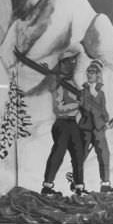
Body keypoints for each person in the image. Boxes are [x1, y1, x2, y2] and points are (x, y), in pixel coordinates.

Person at [41, 54, 86, 196]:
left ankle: (79, 187)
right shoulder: (58, 85)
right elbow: (58, 109)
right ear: (62, 65)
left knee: (78, 155)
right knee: (58, 154)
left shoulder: (71, 83)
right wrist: (77, 104)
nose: (71, 65)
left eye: (73, 62)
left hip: (73, 123)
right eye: (68, 63)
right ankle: (47, 187)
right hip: (62, 123)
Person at [78, 59, 113, 192]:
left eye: (92, 72)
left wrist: (108, 121)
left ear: (98, 74)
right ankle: (78, 184)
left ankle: (105, 184)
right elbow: (86, 107)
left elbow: (103, 110)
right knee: (80, 157)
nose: (89, 74)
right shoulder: (83, 92)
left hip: (99, 129)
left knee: (104, 155)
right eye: (88, 72)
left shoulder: (101, 93)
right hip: (86, 128)